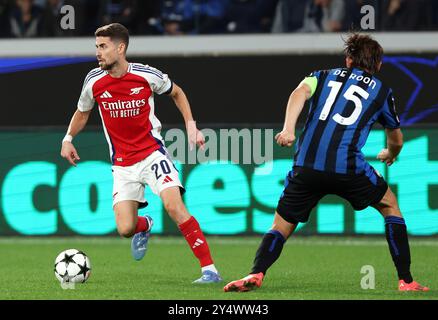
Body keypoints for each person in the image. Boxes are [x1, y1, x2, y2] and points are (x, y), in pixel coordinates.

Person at [224, 33, 429, 292]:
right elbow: (396, 137)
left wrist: (288, 129)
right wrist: (391, 153)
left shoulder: (320, 75)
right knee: (389, 205)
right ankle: (406, 281)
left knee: (281, 225)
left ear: (348, 60)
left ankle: (256, 273)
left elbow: (299, 92)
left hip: (306, 166)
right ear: (378, 65)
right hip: (347, 167)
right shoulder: (381, 91)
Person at [60, 23, 222, 284]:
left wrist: (191, 126)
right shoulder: (94, 81)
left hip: (152, 154)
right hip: (122, 165)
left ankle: (210, 270)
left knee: (174, 206)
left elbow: (177, 93)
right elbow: (83, 111)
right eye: (96, 47)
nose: (98, 52)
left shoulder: (146, 75)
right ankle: (144, 224)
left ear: (120, 48)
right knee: (125, 229)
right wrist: (68, 138)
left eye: (103, 46)